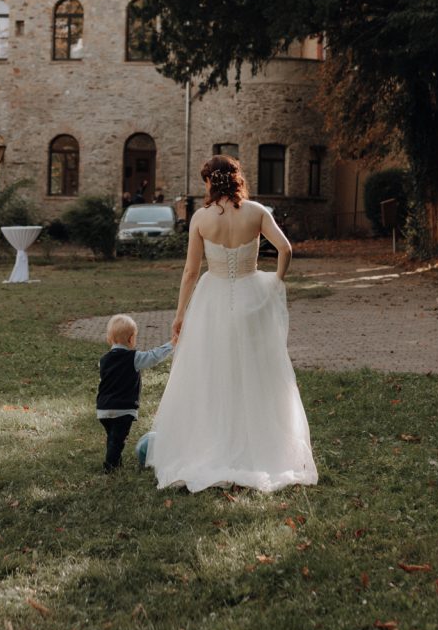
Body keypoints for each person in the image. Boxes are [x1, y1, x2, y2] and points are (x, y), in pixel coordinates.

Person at [146, 154, 318, 493]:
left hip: (212, 299)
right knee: (258, 371)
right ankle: (259, 446)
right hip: (252, 295)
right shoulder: (256, 212)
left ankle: (212, 442)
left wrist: (180, 314)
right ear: (237, 178)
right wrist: (276, 282)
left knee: (212, 371)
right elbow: (285, 249)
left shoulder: (200, 218)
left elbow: (191, 272)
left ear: (210, 181)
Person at [97, 313, 173, 473]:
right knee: (118, 440)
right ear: (131, 339)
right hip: (122, 409)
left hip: (103, 409)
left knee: (113, 439)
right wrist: (171, 344)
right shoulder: (133, 357)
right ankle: (110, 467)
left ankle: (116, 461)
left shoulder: (103, 360)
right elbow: (153, 357)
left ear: (109, 339)